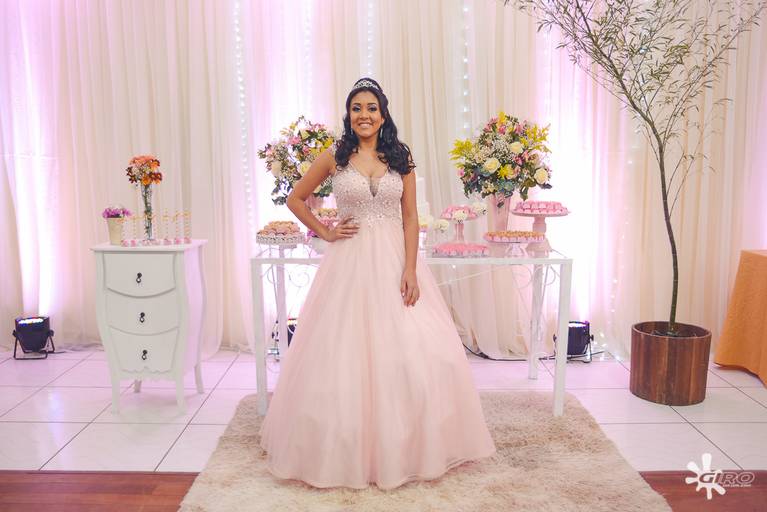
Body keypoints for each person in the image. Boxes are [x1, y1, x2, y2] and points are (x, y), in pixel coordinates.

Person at [258, 77, 496, 490]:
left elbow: (410, 218)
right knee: (340, 352)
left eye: (371, 108)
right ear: (348, 115)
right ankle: (342, 446)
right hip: (348, 262)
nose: (363, 115)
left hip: (393, 260)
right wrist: (325, 231)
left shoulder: (400, 157)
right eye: (356, 108)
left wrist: (410, 269)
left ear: (383, 115)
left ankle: (410, 444)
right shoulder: (334, 156)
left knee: (413, 346)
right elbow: (295, 198)